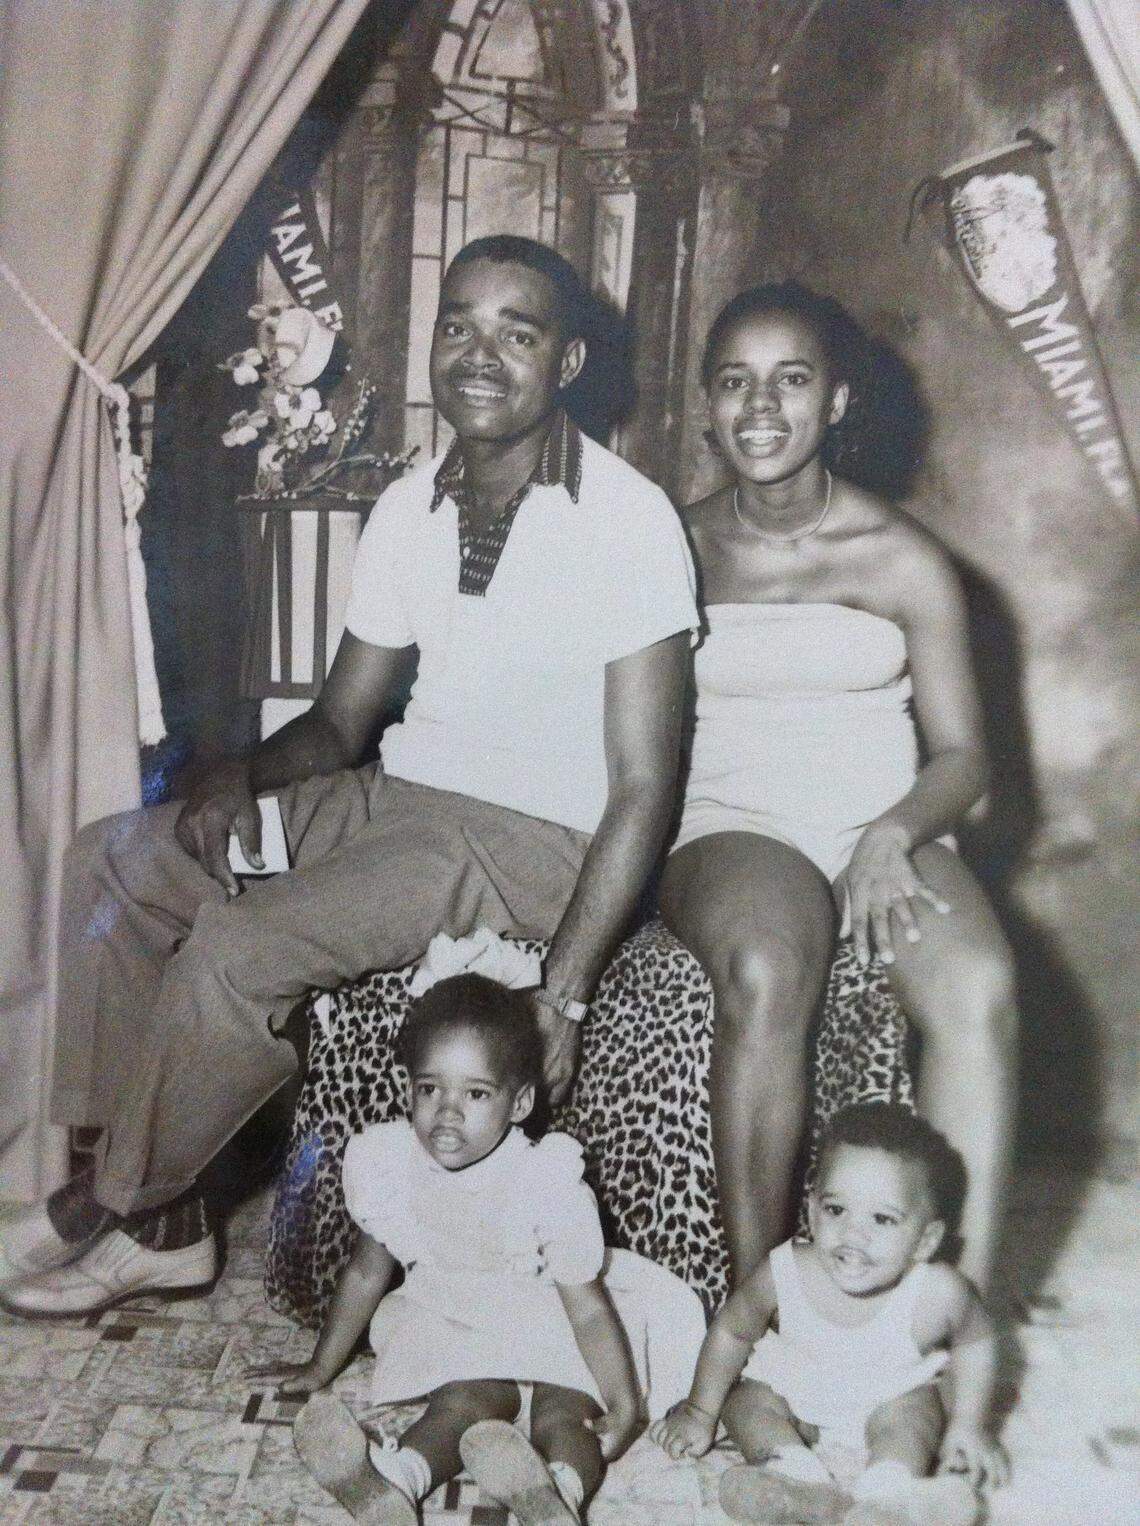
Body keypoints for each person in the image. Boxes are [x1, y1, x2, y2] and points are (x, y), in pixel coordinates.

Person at [0, 234, 697, 1316]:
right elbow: (337, 721)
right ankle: (168, 1218)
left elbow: (647, 783)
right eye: (458, 323)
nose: (479, 353)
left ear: (567, 364)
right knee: (122, 857)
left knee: (241, 943)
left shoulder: (628, 518)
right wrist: (237, 775)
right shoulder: (412, 504)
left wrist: (563, 989)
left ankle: (113, 1205)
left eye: (519, 331)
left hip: (526, 842)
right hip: (396, 801)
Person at [659, 282, 1017, 1292]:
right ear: (708, 404)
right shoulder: (669, 549)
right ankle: (759, 1308)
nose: (761, 406)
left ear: (838, 402)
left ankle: (954, 1319)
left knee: (981, 989)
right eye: (735, 381)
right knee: (770, 961)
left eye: (791, 379)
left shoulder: (903, 558)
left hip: (882, 826)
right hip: (730, 827)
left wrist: (894, 832)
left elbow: (966, 758)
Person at [252, 973, 642, 1524]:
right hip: (458, 1319)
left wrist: (623, 1402)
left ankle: (557, 1496)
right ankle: (394, 1483)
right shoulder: (391, 1166)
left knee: (562, 1411)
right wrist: (320, 1367)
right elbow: (366, 1274)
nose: (447, 1111)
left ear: (520, 1102)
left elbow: (586, 1307)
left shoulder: (545, 1182)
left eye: (476, 1093)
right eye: (429, 1089)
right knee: (458, 1405)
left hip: (553, 1321)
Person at [652, 1104, 1009, 1526]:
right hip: (791, 1392)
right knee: (747, 1402)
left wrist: (968, 1423)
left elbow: (977, 1342)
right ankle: (792, 1476)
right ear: (811, 1210)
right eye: (836, 1210)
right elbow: (732, 1331)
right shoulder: (782, 1272)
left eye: (883, 1219)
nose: (854, 1233)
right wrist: (700, 1410)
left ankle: (888, 1494)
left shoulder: (938, 1292)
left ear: (925, 1241)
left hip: (888, 1397)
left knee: (917, 1413)